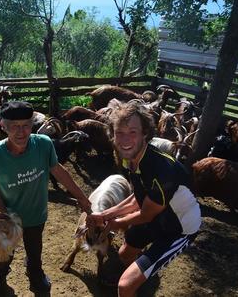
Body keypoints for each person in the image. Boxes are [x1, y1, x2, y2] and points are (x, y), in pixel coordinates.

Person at [86, 101, 201, 296]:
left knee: (125, 285)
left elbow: (146, 214)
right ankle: (142, 279)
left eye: (132, 132)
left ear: (145, 133)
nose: (124, 139)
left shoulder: (160, 169)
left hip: (179, 228)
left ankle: (134, 282)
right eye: (119, 133)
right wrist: (104, 214)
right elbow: (138, 196)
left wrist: (113, 223)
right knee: (124, 254)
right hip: (159, 215)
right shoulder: (130, 158)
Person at [0, 101, 92, 296]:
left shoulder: (43, 144)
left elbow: (58, 170)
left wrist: (82, 198)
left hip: (36, 215)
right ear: (3, 126)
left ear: (32, 124)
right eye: (14, 126)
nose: (21, 132)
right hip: (10, 216)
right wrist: (3, 214)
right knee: (4, 253)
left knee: (34, 250)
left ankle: (35, 274)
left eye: (26, 125)